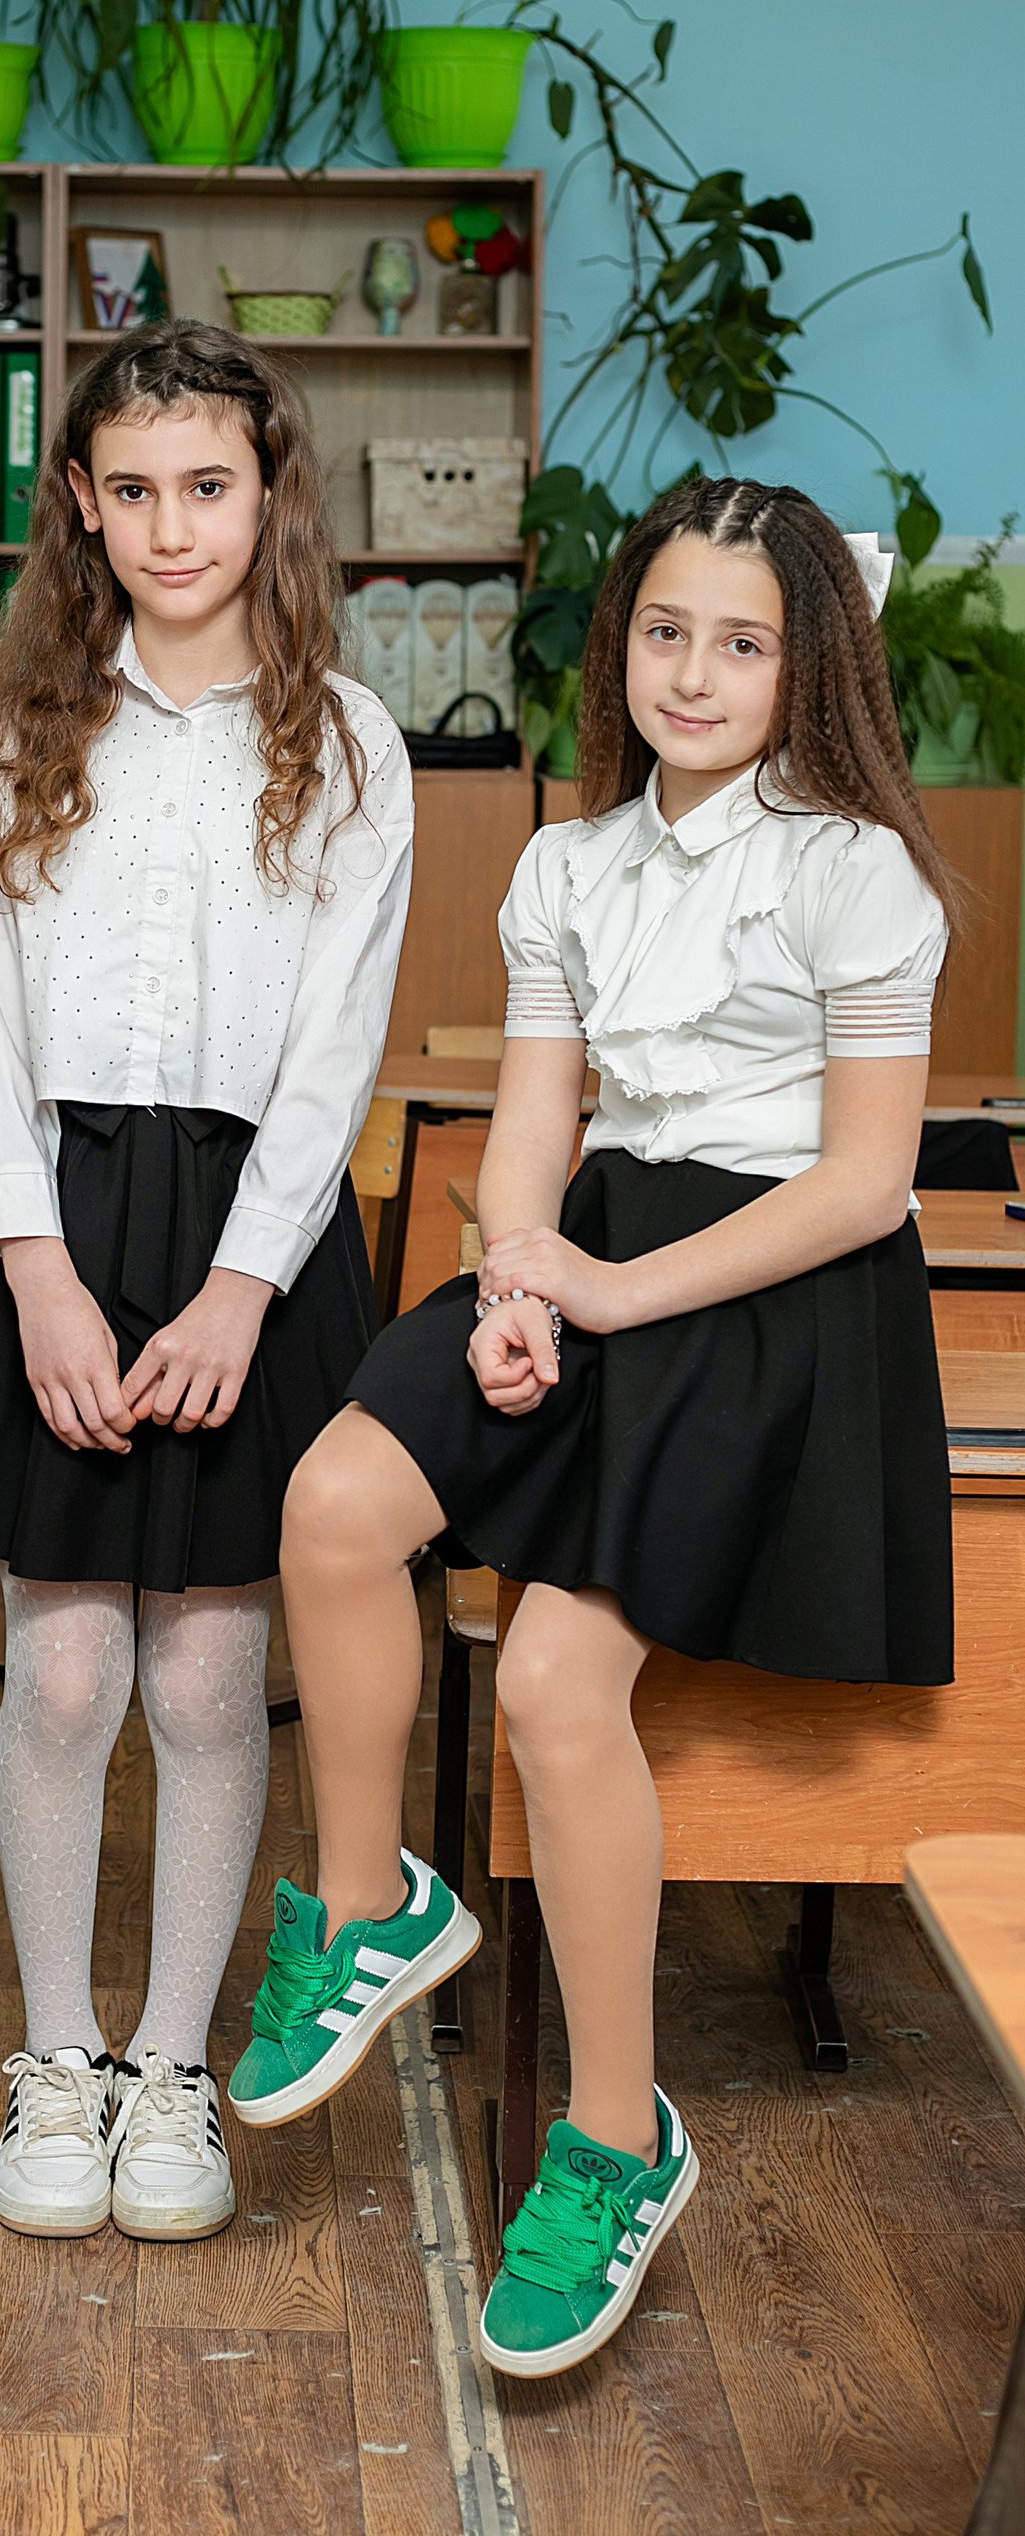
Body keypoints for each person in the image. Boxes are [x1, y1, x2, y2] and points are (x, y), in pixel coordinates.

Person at [229, 477, 954, 2377]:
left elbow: (867, 1182)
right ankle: (372, 1907)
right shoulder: (567, 868)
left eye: (743, 643)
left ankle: (620, 2142)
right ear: (619, 642)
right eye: (665, 631)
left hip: (778, 1293)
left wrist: (616, 1297)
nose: (693, 674)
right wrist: (521, 1281)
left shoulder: (858, 873)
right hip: (599, 1250)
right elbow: (538, 1117)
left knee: (555, 1685)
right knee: (333, 1502)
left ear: (809, 668)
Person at [0, 318, 442, 2244]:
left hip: (249, 1235)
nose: (174, 525)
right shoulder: (29, 734)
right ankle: (59, 2059)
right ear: (83, 505)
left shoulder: (349, 744)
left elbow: (336, 1057)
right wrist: (34, 1270)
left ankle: (175, 2067)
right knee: (61, 1673)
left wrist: (241, 1289)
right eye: (133, 490)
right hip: (51, 1214)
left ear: (270, 494)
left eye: (209, 485)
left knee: (208, 1681)